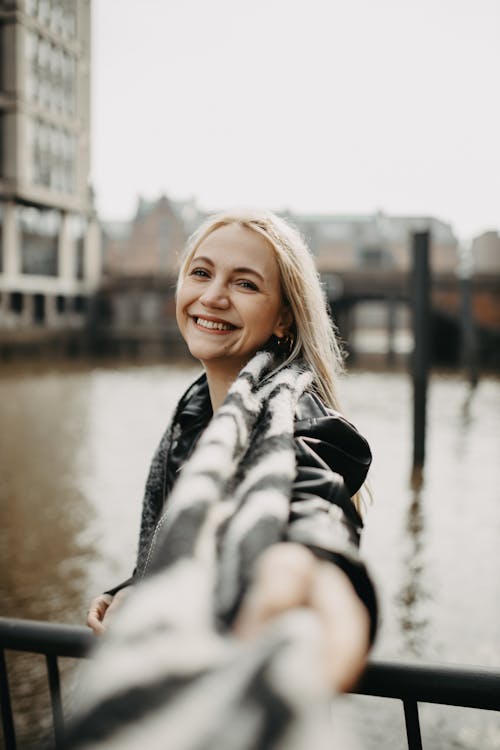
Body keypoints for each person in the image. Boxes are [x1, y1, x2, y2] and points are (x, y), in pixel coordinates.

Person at [76, 211, 377, 749]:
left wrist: (312, 562)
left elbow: (310, 478)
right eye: (201, 273)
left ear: (284, 318)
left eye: (244, 283)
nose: (212, 297)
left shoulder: (293, 411)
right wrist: (138, 591)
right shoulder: (195, 417)